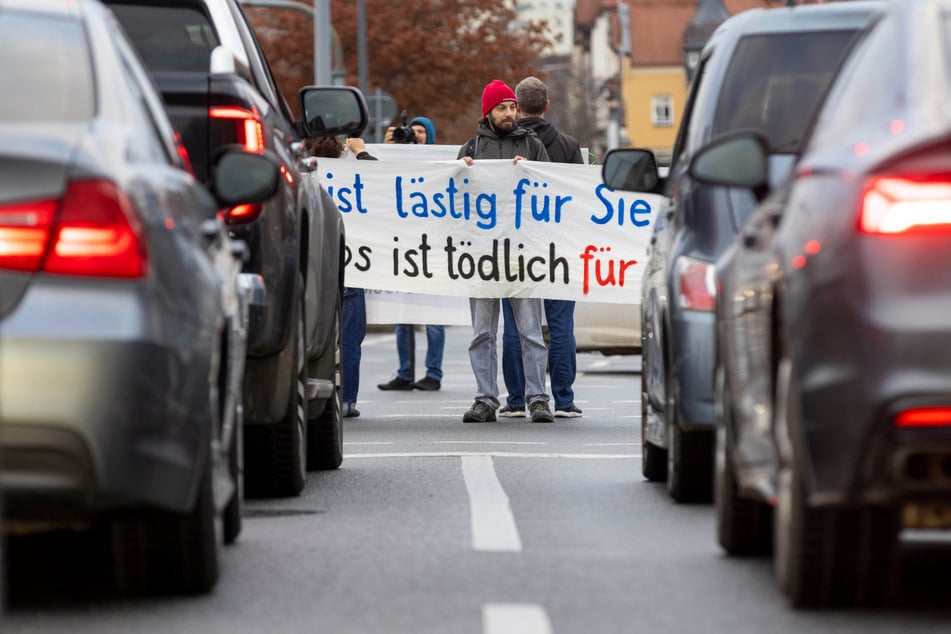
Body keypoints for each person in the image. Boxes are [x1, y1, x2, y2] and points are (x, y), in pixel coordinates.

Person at [456, 79, 553, 424]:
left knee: (530, 332)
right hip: (482, 258)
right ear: (488, 112)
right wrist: (462, 173)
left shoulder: (533, 147)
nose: (510, 113)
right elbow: (454, 205)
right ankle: (485, 398)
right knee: (483, 333)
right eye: (502, 107)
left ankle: (538, 398)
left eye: (512, 106)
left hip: (522, 255)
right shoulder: (470, 150)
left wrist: (530, 173)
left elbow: (549, 194)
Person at [499, 76, 585, 419]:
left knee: (515, 325)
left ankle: (517, 399)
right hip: (559, 247)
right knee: (561, 324)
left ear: (517, 107)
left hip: (515, 248)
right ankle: (563, 399)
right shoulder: (568, 144)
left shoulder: (506, 143)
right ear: (547, 105)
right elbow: (580, 195)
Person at [305, 135, 376, 417]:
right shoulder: (356, 171)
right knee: (348, 338)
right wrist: (362, 154)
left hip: (314, 266)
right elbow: (384, 186)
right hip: (352, 265)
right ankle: (346, 401)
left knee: (313, 333)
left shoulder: (302, 174)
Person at [377, 114, 446, 392]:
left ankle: (433, 373)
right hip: (403, 248)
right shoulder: (395, 161)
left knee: (433, 317)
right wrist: (385, 149)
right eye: (412, 131)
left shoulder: (439, 163)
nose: (416, 136)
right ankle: (405, 372)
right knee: (401, 315)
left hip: (434, 249)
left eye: (421, 132)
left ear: (429, 137)